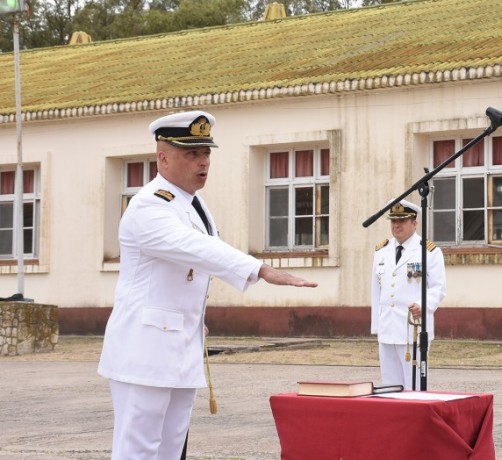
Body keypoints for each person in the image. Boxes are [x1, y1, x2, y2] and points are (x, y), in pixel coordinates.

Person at [98, 110, 318, 460]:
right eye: (192, 154)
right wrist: (259, 268)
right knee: (138, 449)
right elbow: (195, 248)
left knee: (171, 449)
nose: (203, 162)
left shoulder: (193, 203)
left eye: (206, 153)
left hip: (181, 343)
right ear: (163, 158)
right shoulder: (148, 206)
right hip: (145, 349)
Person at [370, 199, 446, 388]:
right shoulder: (381, 251)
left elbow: (438, 288)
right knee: (389, 386)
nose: (396, 225)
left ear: (414, 223)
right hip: (387, 327)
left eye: (402, 220)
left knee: (414, 385)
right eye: (393, 221)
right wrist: (377, 326)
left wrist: (423, 305)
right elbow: (377, 291)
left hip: (413, 328)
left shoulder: (429, 251)